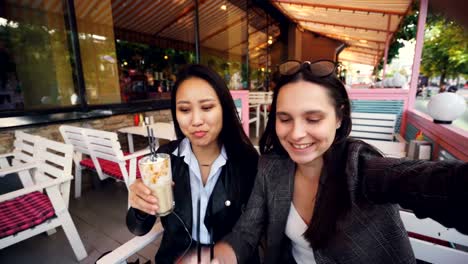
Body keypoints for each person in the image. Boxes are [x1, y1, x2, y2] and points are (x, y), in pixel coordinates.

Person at [199, 60, 468, 264]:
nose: (296, 133)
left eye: (313, 119)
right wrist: (213, 257)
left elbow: (434, 184)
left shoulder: (362, 168)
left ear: (338, 118)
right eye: (285, 118)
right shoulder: (271, 167)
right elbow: (247, 232)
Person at [126, 64, 260, 263]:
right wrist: (140, 208)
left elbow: (254, 231)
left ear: (224, 108)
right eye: (185, 109)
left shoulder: (247, 162)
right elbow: (137, 229)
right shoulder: (165, 159)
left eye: (207, 107)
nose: (196, 120)